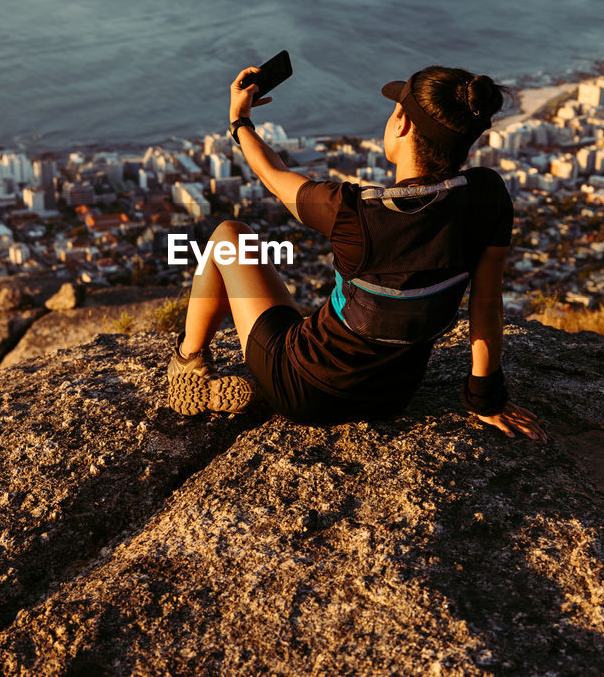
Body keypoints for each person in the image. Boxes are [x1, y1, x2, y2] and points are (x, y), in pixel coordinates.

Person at [165, 64, 546, 442]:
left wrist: (239, 121)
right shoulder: (487, 196)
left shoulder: (356, 212)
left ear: (403, 124)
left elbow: (273, 175)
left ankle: (187, 362)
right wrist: (486, 399)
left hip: (303, 392)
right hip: (392, 396)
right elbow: (487, 302)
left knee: (230, 235)